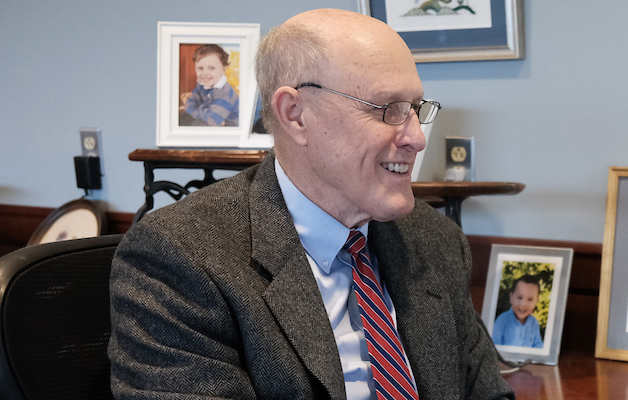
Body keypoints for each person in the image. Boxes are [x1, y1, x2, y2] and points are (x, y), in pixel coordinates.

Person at [109, 9, 513, 400]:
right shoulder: (181, 257)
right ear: (295, 114)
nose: (416, 138)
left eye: (415, 109)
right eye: (388, 109)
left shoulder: (434, 238)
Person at [182, 44, 240, 126]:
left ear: (224, 69)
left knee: (197, 125)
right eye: (200, 68)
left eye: (211, 68)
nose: (205, 73)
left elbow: (213, 121)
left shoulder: (223, 93)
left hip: (230, 125)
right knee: (181, 118)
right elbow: (189, 105)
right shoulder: (202, 84)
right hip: (210, 118)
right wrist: (205, 111)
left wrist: (199, 108)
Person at [491, 275, 545, 348]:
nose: (523, 304)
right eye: (520, 297)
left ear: (537, 301)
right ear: (511, 297)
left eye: (530, 299)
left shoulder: (534, 323)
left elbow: (538, 345)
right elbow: (493, 345)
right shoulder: (502, 321)